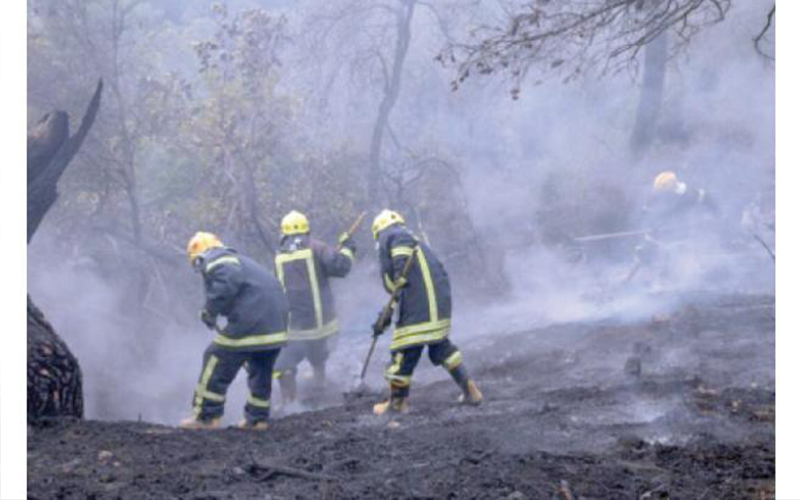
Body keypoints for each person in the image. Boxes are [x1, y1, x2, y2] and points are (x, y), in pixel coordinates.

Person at [370, 209, 482, 415]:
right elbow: (399, 288)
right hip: (436, 302)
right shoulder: (416, 243)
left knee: (403, 351)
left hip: (420, 306)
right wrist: (383, 319)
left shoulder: (394, 235)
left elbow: (400, 270)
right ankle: (470, 389)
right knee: (441, 347)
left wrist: (399, 267)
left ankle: (397, 404)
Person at [179, 232, 288, 430]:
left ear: (199, 256)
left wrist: (209, 311)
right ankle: (257, 419)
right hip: (276, 324)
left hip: (253, 320)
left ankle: (206, 417)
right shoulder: (240, 260)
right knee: (260, 367)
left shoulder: (216, 258)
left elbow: (227, 282)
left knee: (215, 356)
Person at [273, 211, 356, 404]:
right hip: (321, 324)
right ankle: (320, 387)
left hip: (293, 327)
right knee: (318, 355)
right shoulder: (317, 247)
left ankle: (288, 402)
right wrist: (347, 248)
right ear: (307, 230)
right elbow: (342, 267)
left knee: (284, 363)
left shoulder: (279, 256)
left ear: (284, 234)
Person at [626, 170, 719, 283]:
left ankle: (671, 278)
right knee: (644, 251)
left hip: (681, 231)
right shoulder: (655, 195)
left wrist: (715, 215)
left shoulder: (688, 195)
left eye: (663, 192)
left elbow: (706, 198)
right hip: (658, 230)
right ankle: (627, 279)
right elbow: (646, 212)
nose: (660, 194)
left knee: (674, 256)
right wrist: (649, 225)